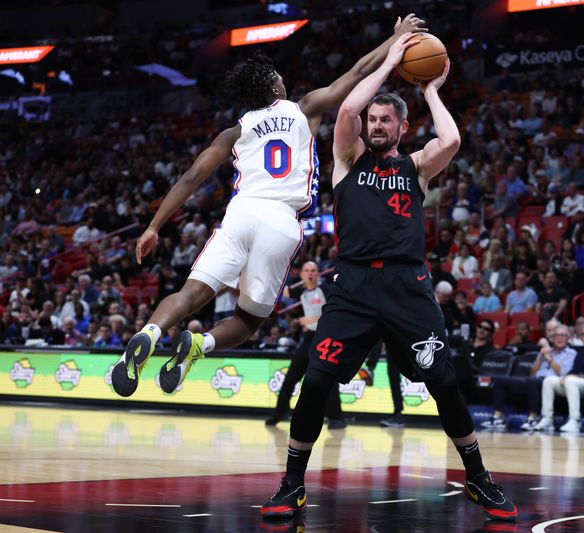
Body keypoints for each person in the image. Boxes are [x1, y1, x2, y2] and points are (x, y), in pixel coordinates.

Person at [260, 36, 516, 521]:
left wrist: (432, 90)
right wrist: (394, 60)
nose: (375, 125)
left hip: (406, 287)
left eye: (385, 120)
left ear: (401, 126)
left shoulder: (417, 167)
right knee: (315, 381)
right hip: (352, 287)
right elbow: (349, 108)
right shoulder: (347, 159)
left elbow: (453, 141)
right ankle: (291, 484)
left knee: (441, 380)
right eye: (372, 120)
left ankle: (479, 479)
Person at [109, 15, 428, 398]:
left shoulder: (235, 131)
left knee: (193, 292)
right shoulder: (305, 107)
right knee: (248, 320)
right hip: (281, 220)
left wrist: (153, 227)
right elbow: (358, 71)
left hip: (241, 211)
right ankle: (200, 345)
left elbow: (192, 178)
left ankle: (150, 332)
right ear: (276, 86)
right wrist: (393, 42)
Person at [266, 261, 345, 429]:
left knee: (328, 379)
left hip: (325, 338)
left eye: (313, 270)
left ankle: (336, 417)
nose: (310, 273)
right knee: (292, 376)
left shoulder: (326, 289)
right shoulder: (301, 291)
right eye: (307, 270)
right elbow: (282, 290)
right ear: (301, 274)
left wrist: (311, 319)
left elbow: (336, 312)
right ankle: (280, 412)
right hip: (309, 338)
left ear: (318, 273)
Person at [484, 324, 575, 431]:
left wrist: (549, 358)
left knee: (533, 382)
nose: (559, 338)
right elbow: (533, 372)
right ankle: (498, 417)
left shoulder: (571, 353)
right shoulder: (547, 351)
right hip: (535, 380)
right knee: (500, 381)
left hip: (553, 383)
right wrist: (540, 357)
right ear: (553, 338)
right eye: (557, 335)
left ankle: (533, 418)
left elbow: (562, 372)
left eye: (563, 335)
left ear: (568, 338)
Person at [536, 323, 584, 432]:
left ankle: (575, 420)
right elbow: (573, 371)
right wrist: (567, 376)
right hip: (577, 385)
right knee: (549, 380)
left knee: (570, 380)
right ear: (580, 337)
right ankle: (548, 418)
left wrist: (572, 376)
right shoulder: (580, 353)